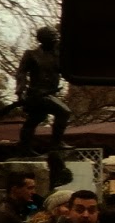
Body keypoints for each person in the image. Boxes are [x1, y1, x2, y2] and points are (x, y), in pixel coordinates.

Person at [12, 26, 71, 154]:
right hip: (37, 93)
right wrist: (20, 91)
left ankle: (24, 146)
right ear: (43, 40)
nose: (56, 40)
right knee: (64, 112)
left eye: (56, 38)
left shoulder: (57, 55)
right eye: (53, 38)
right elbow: (21, 73)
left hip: (50, 93)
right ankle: (56, 143)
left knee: (35, 118)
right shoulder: (31, 54)